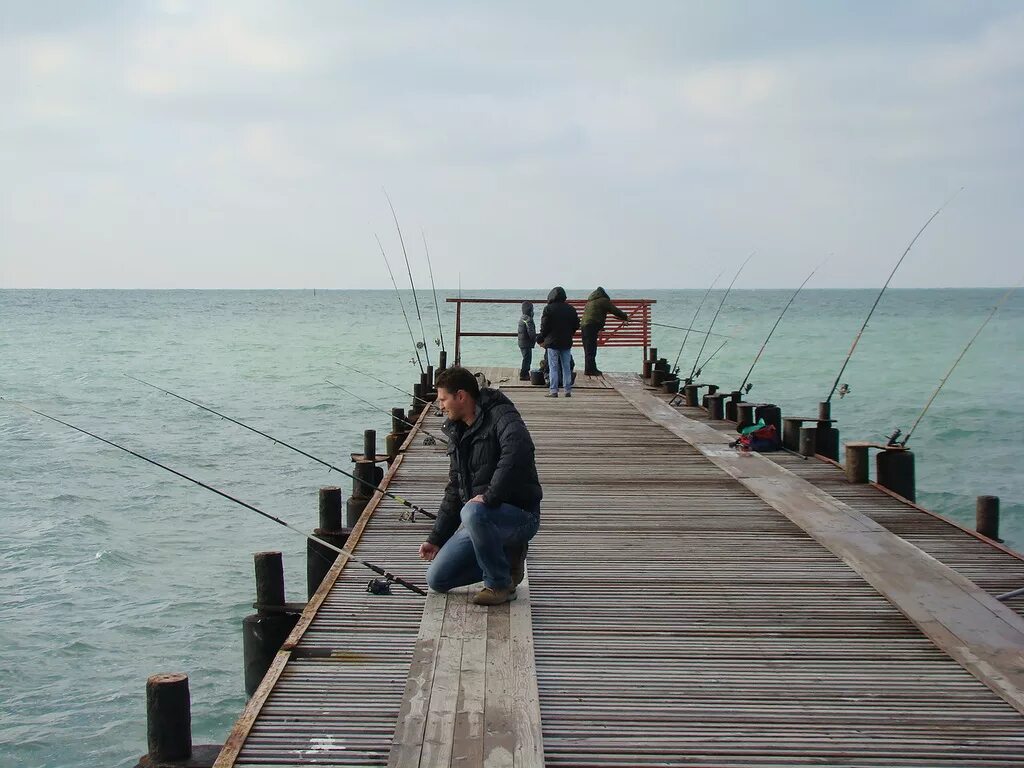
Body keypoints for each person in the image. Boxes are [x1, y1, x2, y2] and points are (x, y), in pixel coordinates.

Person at [420, 366, 542, 606]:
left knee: (472, 511)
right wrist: (436, 538)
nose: (440, 406)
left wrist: (489, 496)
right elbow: (455, 489)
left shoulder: (501, 414)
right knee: (437, 578)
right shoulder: (457, 431)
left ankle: (499, 584)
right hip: (479, 519)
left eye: (443, 399)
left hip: (521, 516)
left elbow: (518, 451)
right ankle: (506, 562)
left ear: (461, 396)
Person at [536, 286, 580, 398]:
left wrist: (540, 339)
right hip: (566, 342)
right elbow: (576, 325)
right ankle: (567, 390)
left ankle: (554, 390)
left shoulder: (548, 309)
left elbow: (544, 327)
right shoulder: (571, 309)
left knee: (553, 367)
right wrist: (569, 333)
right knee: (566, 366)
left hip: (552, 343)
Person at [580, 287, 629, 376]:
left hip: (584, 326)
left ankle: (589, 369)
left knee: (588, 349)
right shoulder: (603, 301)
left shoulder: (590, 302)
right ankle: (590, 370)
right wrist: (625, 317)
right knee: (591, 349)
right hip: (591, 326)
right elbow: (614, 310)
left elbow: (594, 315)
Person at [517, 301, 537, 381]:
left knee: (525, 358)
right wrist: (534, 339)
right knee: (527, 359)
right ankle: (524, 374)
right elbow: (531, 332)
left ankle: (524, 373)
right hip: (526, 342)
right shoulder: (528, 320)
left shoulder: (522, 317)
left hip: (522, 341)